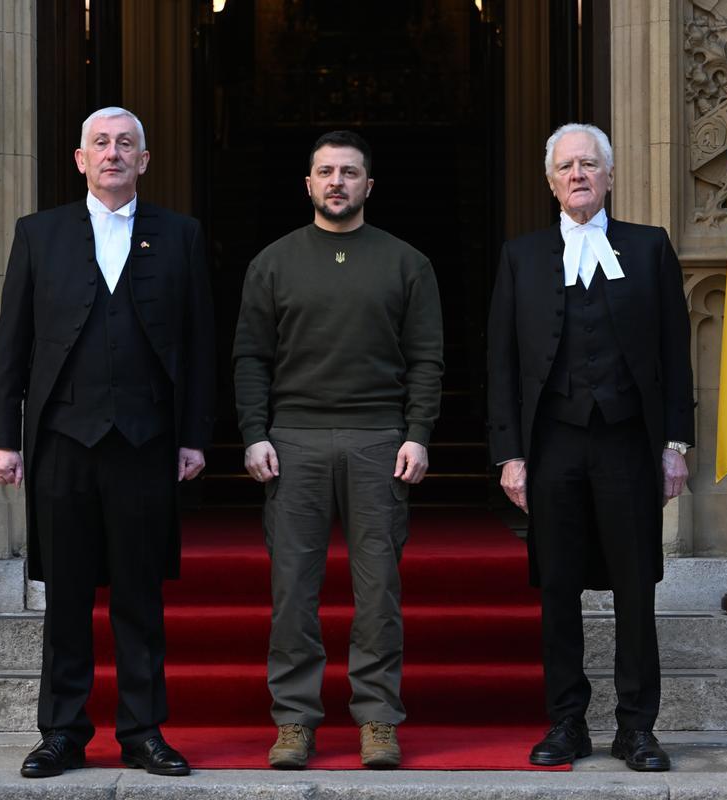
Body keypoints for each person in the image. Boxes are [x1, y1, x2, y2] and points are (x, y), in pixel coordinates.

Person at [0, 107, 215, 778]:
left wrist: (195, 436)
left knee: (141, 596)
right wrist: (3, 438)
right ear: (81, 159)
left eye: (126, 145)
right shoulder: (39, 234)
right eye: (101, 144)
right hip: (61, 442)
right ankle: (62, 731)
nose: (113, 153)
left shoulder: (181, 235)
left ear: (144, 160)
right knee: (68, 598)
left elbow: (200, 345)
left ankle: (143, 732)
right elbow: (11, 347)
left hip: (146, 442)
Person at [232, 130, 443, 770]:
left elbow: (427, 359)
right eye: (325, 171)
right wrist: (254, 433)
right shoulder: (272, 262)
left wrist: (418, 433)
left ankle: (378, 719)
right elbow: (251, 357)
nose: (337, 182)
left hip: (380, 439)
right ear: (308, 184)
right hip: (292, 440)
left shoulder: (407, 263)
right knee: (293, 589)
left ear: (368, 185)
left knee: (378, 590)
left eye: (349, 173)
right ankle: (294, 721)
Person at [486, 123, 693, 772]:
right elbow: (502, 365)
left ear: (609, 176)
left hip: (629, 443)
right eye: (566, 166)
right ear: (550, 181)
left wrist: (675, 444)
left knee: (636, 588)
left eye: (589, 164)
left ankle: (637, 729)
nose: (578, 174)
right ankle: (567, 723)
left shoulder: (649, 247)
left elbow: (674, 355)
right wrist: (509, 454)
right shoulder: (521, 257)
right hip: (552, 448)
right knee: (558, 587)